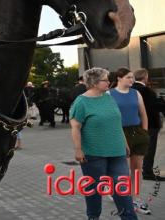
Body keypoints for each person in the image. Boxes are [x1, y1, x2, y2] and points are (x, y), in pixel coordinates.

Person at [70, 68, 137, 220]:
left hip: (117, 152)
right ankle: (93, 217)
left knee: (122, 190)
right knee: (94, 190)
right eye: (105, 80)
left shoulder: (108, 98)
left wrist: (125, 143)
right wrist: (78, 149)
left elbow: (117, 122)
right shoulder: (81, 102)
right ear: (93, 82)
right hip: (94, 155)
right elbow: (75, 127)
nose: (109, 82)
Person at [109, 67, 150, 215]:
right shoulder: (109, 94)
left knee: (137, 169)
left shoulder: (136, 93)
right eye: (128, 77)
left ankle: (135, 197)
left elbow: (143, 114)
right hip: (119, 133)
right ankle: (119, 193)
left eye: (133, 77)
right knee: (121, 170)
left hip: (137, 132)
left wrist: (144, 133)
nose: (132, 80)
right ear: (119, 78)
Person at [132, 68, 165, 181]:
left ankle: (135, 171)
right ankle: (147, 172)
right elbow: (154, 106)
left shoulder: (129, 90)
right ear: (145, 77)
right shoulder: (147, 90)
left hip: (134, 124)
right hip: (150, 124)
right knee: (150, 149)